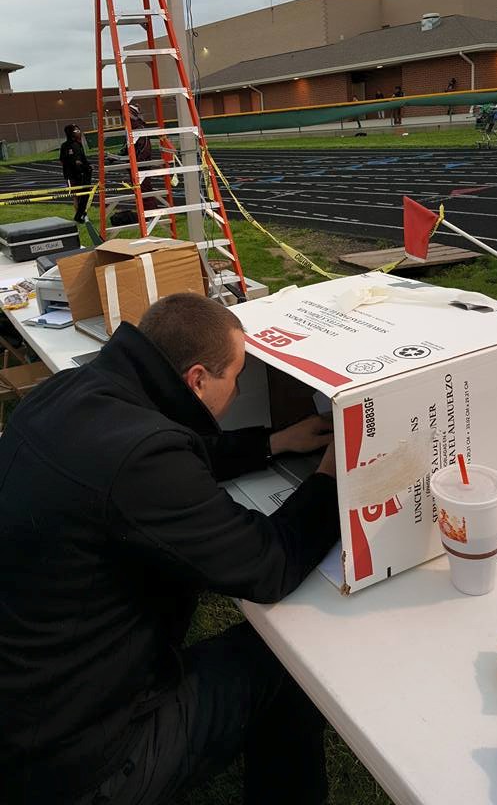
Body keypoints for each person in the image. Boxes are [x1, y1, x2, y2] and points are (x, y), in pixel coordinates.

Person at [0, 293, 339, 805]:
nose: (241, 386)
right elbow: (268, 563)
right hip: (81, 762)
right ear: (197, 380)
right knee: (289, 668)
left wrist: (274, 442)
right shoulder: (144, 457)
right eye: (237, 375)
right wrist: (332, 482)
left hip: (29, 702)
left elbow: (175, 451)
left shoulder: (71, 392)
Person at [59, 123, 93, 223]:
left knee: (84, 195)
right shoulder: (65, 146)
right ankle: (79, 216)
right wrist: (72, 165)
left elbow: (82, 159)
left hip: (82, 174)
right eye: (76, 131)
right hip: (72, 175)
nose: (79, 132)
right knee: (76, 195)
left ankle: (82, 214)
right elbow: (62, 160)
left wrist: (87, 167)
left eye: (79, 130)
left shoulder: (79, 144)